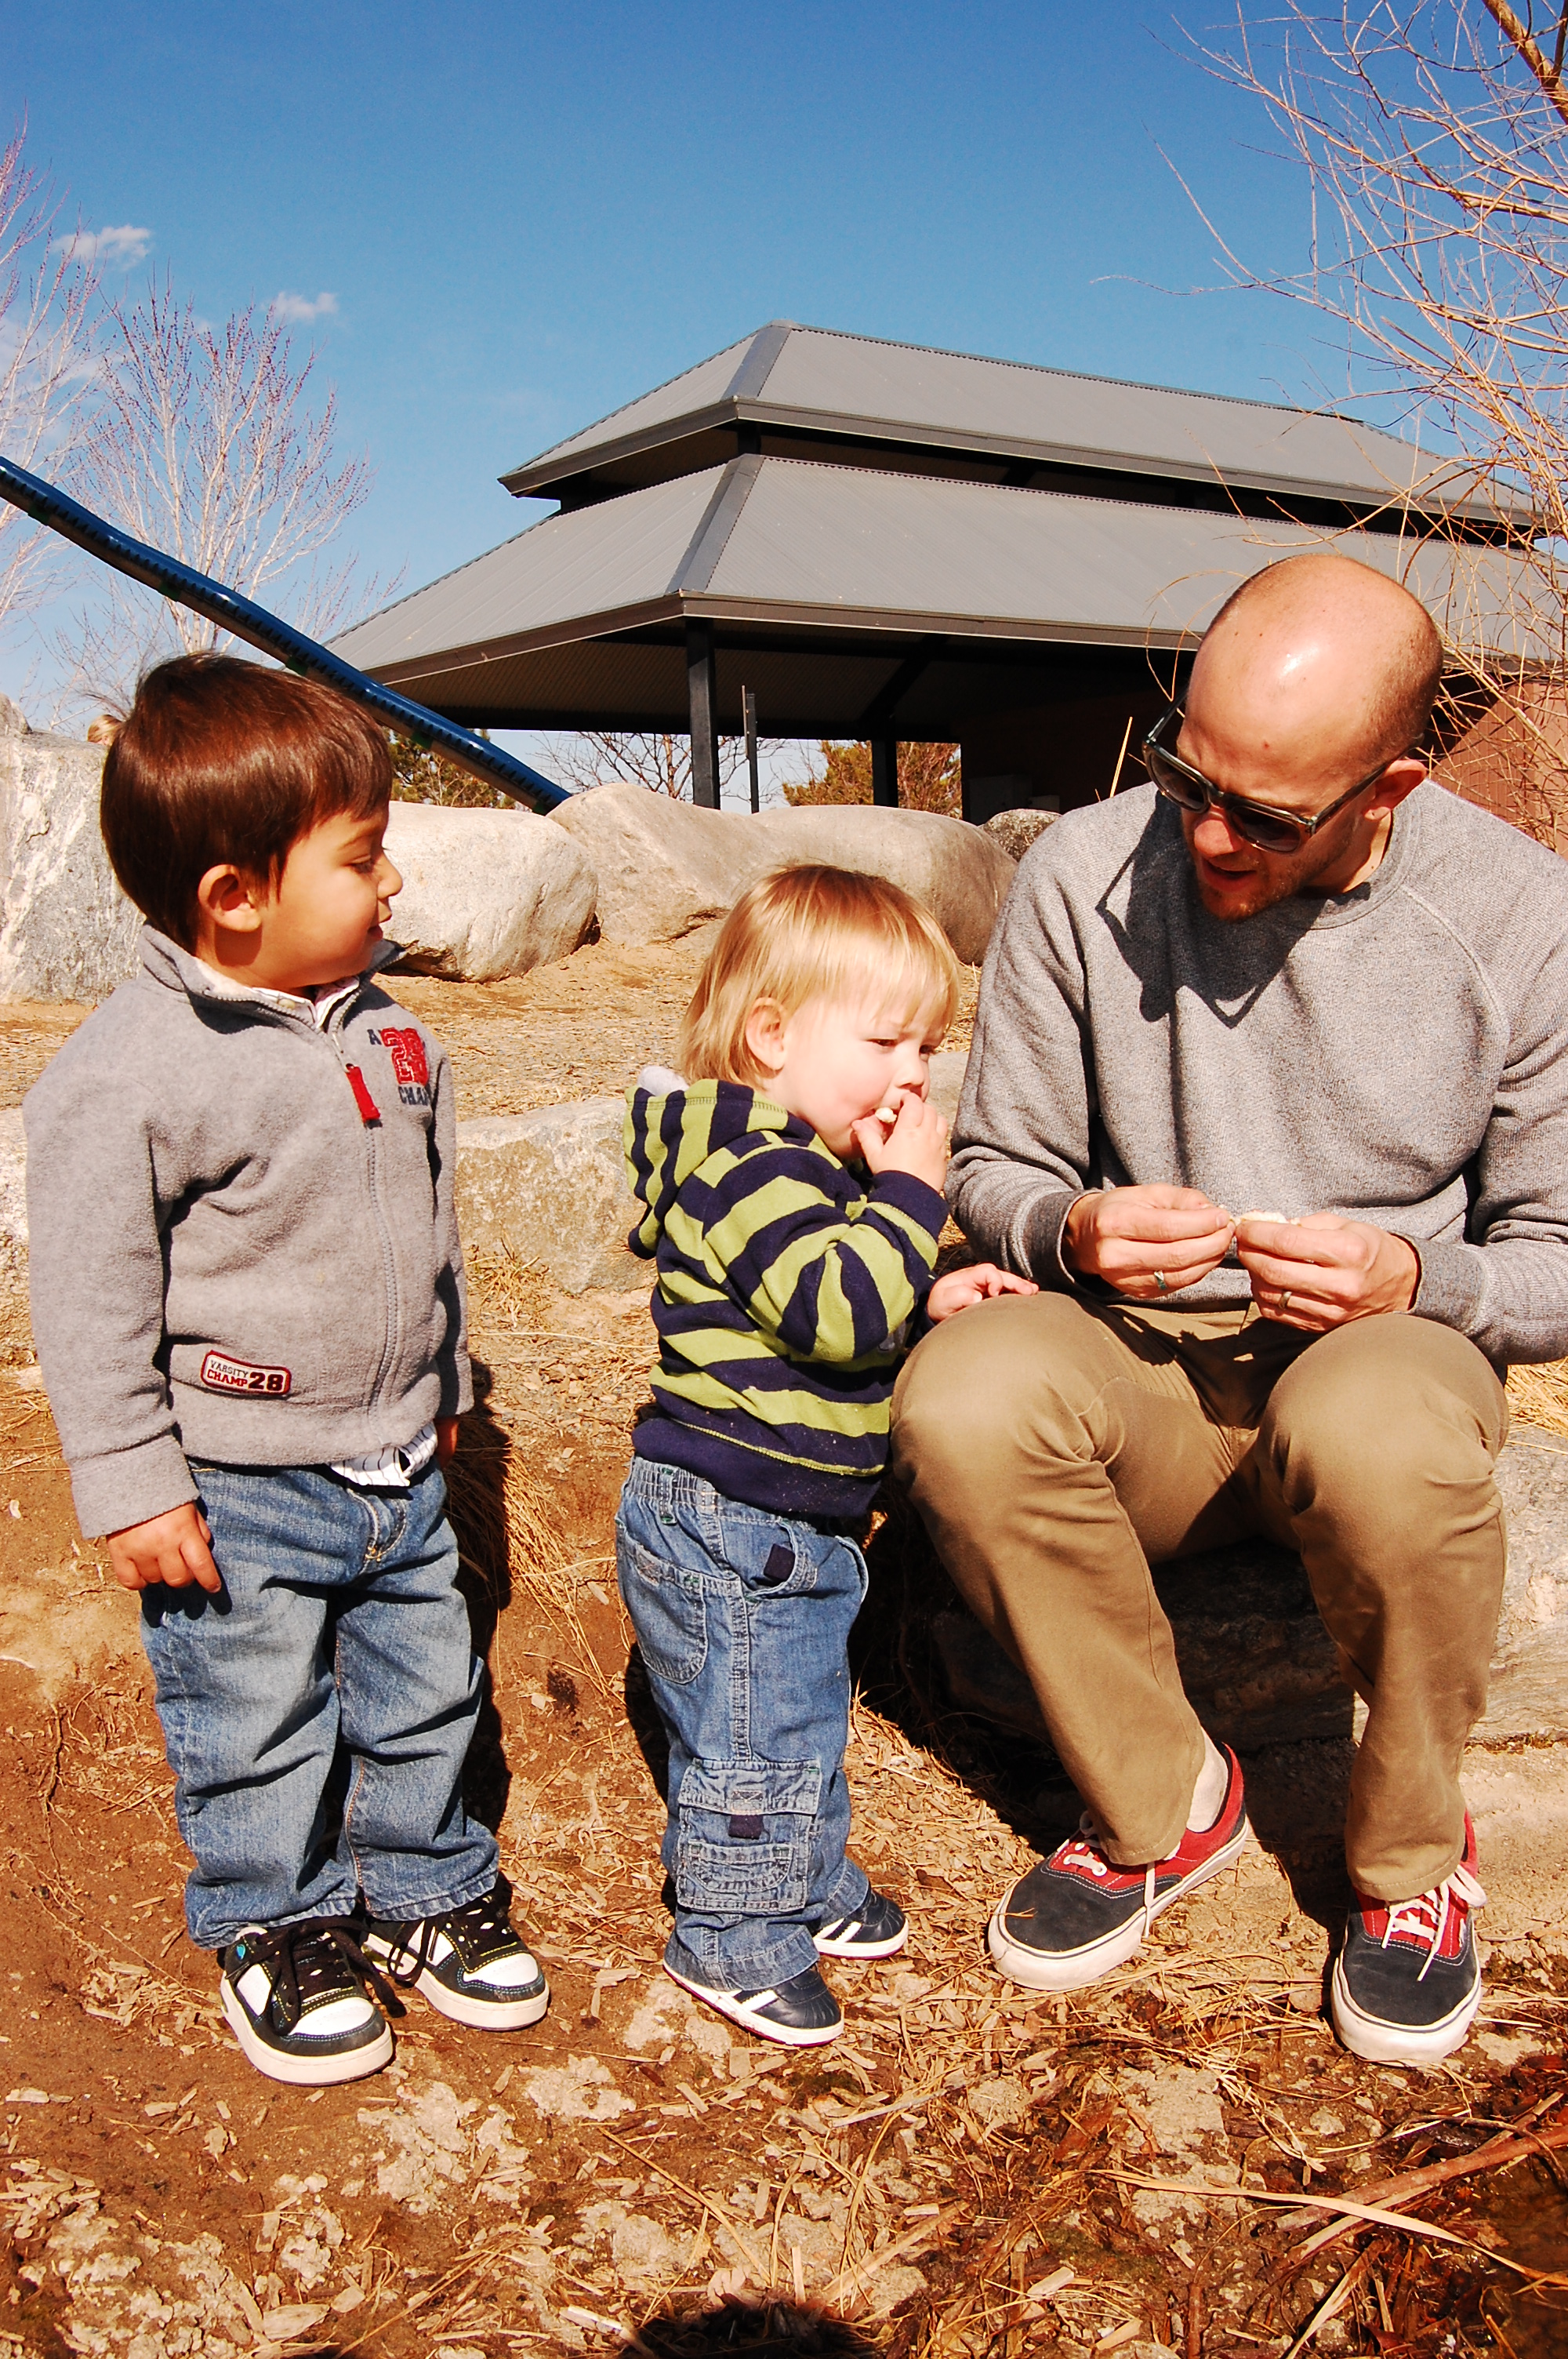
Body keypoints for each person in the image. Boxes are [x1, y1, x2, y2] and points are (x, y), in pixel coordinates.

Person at [892, 552, 1568, 2067]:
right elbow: (995, 1167)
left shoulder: (1526, 919)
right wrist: (1067, 1228)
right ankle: (1166, 1805)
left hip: (1375, 1363)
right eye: (1184, 774)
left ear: (1388, 788)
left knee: (1388, 1429)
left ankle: (1411, 1864)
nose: (1205, 835)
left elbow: (1558, 1252)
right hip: (1136, 1364)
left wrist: (1421, 1281)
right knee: (964, 1394)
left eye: (1264, 816)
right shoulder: (1080, 871)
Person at [24, 652, 550, 2087]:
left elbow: (431, 1231)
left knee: (425, 1685)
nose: (393, 884)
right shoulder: (129, 1073)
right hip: (239, 1481)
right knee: (254, 1712)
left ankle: (425, 1889)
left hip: (398, 1463)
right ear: (235, 896)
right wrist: (131, 1483)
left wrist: (445, 1390)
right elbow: (90, 1296)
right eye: (363, 858)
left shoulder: (394, 1033)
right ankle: (277, 1920)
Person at [618, 867, 1035, 2047]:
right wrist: (910, 1199)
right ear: (770, 1035)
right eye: (886, 1042)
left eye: (928, 1049)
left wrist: (926, 1292)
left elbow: (829, 1315)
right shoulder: (747, 1165)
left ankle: (802, 1876)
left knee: (796, 1713)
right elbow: (833, 1311)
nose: (914, 1076)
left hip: (782, 1520)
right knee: (752, 1736)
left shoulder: (806, 1169)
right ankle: (732, 1933)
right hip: (728, 1517)